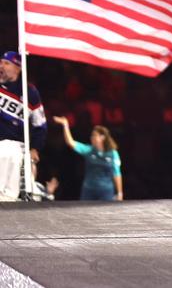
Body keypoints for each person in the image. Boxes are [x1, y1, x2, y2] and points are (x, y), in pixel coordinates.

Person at [0, 50, 47, 201]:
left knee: (9, 195)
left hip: (15, 147)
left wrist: (35, 148)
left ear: (17, 68)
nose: (1, 65)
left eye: (6, 63)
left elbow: (40, 124)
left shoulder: (29, 92)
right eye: (1, 62)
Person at [51, 116, 123, 201]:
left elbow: (117, 173)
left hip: (105, 191)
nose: (91, 137)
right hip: (89, 190)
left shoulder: (113, 154)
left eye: (94, 135)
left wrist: (119, 192)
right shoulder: (88, 150)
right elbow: (70, 142)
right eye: (91, 135)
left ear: (102, 137)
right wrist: (65, 125)